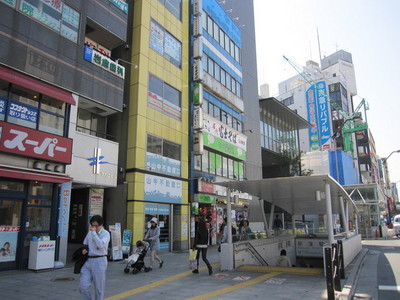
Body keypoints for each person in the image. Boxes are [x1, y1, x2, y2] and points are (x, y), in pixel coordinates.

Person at [80, 215, 110, 300]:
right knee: (83, 286)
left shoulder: (105, 234)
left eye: (96, 226)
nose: (94, 228)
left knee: (99, 288)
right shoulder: (90, 233)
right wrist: (85, 249)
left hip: (100, 260)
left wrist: (94, 233)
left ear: (101, 225)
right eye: (92, 226)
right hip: (88, 260)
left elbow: (100, 245)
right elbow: (85, 243)